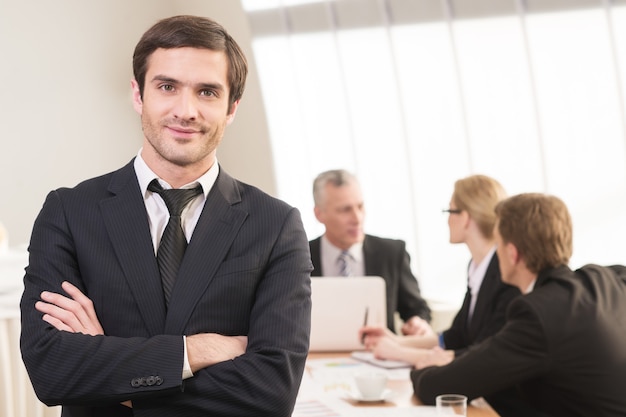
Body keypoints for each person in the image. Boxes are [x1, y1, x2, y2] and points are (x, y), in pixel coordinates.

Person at [20, 15, 312, 417]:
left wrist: (109, 377)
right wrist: (198, 350)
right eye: (167, 87)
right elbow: (51, 370)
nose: (186, 110)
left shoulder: (276, 225)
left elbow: (272, 392)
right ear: (139, 95)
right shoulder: (69, 212)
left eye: (207, 91)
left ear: (231, 108)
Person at [411, 193, 626, 417]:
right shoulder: (605, 277)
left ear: (512, 253)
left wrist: (425, 368)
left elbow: (437, 388)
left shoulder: (538, 314)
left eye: (498, 243)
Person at [360, 175, 520, 365]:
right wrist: (396, 340)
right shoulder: (477, 267)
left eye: (450, 211)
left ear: (466, 218)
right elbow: (456, 336)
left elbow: (480, 354)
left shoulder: (504, 272)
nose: (447, 220)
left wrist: (399, 352)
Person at [309, 169, 431, 334]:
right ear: (319, 214)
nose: (357, 218)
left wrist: (418, 322)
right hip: (316, 356)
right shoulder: (299, 257)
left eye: (360, 206)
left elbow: (416, 309)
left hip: (380, 354)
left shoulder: (392, 253)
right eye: (345, 210)